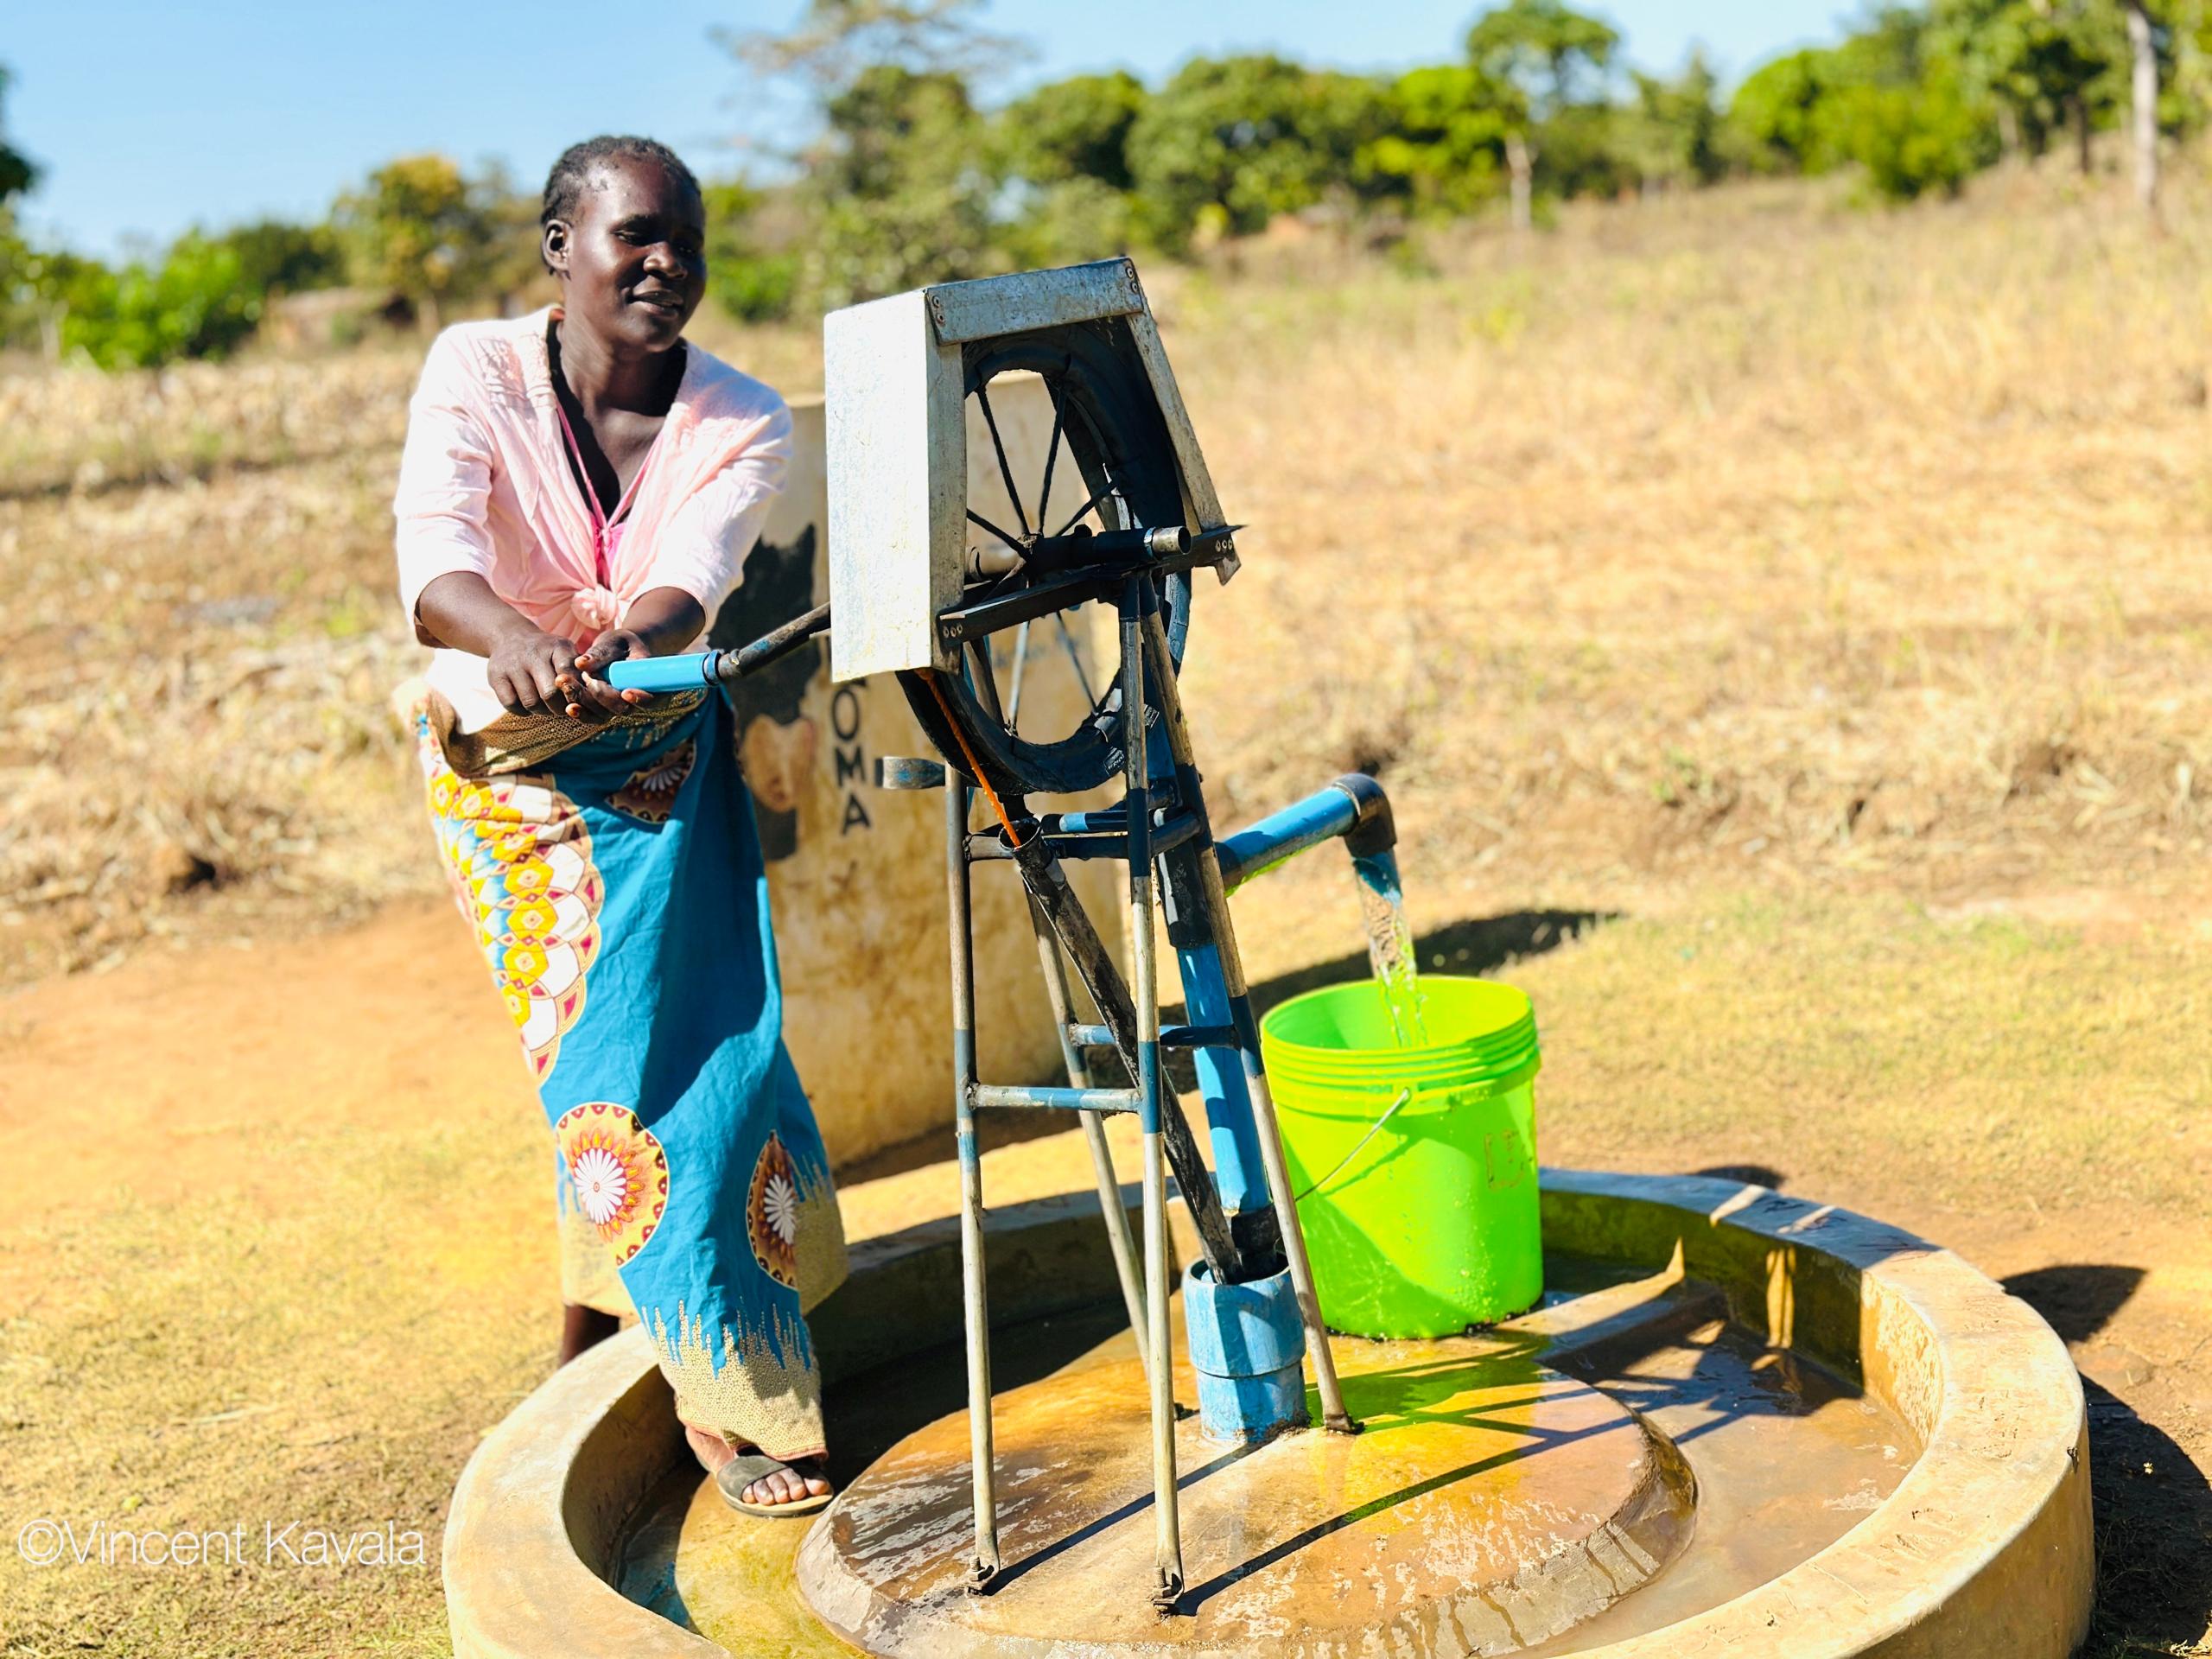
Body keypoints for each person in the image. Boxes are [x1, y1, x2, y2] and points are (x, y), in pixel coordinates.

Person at [391, 135, 845, 1516]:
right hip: (505, 769)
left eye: (687, 243)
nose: (666, 264)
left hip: (657, 750)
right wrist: (520, 645)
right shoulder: (473, 367)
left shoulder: (743, 416)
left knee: (709, 1044)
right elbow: (433, 565)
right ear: (558, 248)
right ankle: (704, 1363)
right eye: (635, 235)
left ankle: (712, 1377)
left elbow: (692, 585)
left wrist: (617, 648)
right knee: (610, 1063)